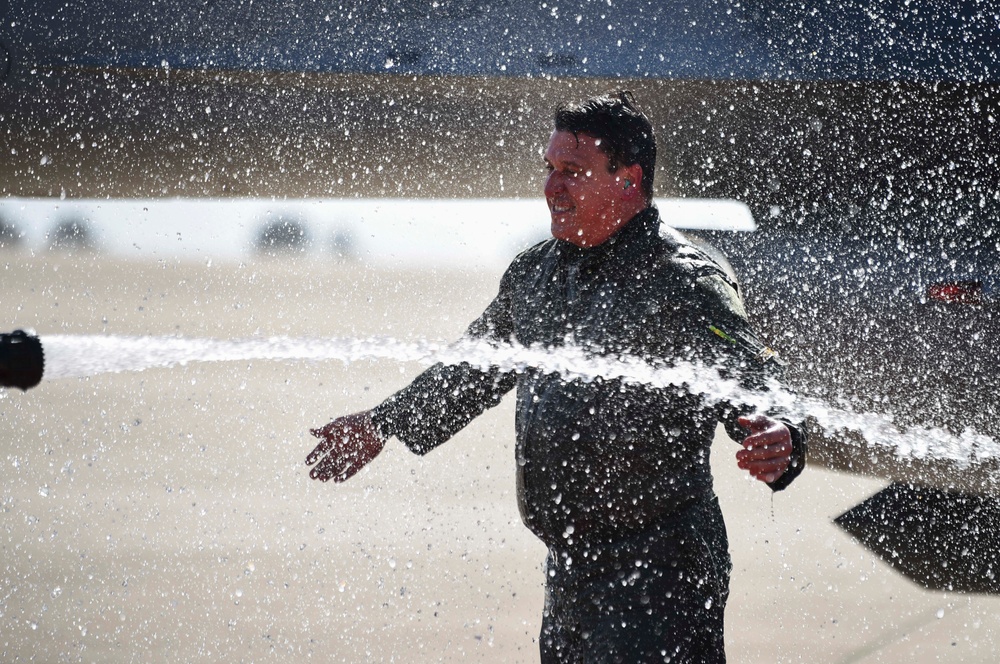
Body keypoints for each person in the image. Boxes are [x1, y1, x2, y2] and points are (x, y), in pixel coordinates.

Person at [306, 91, 807, 663]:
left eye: (573, 172)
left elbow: (755, 381)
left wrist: (782, 435)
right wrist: (384, 422)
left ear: (627, 179)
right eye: (550, 169)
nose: (552, 188)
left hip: (662, 573)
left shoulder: (683, 281)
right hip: (571, 571)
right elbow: (472, 371)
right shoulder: (536, 275)